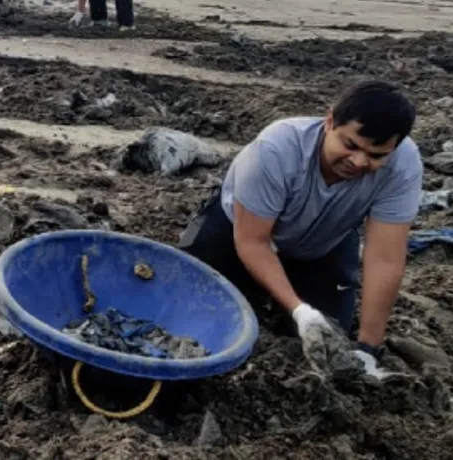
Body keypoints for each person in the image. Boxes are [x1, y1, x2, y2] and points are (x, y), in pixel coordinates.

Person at [179, 82, 421, 378]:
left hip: (323, 243)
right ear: (330, 121)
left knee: (330, 344)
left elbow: (385, 259)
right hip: (239, 233)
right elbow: (253, 242)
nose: (359, 161)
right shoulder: (277, 149)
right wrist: (299, 309)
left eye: (376, 156)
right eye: (350, 145)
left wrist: (368, 348)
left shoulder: (403, 164)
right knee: (189, 309)